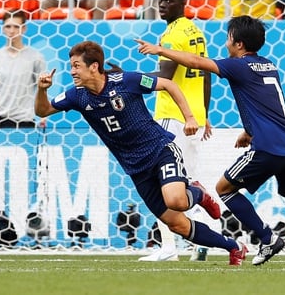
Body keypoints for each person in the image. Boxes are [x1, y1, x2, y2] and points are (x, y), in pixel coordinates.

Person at [136, 15, 285, 268]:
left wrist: (160, 49)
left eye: (228, 38)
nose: (226, 43)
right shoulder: (268, 65)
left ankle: (267, 238)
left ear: (239, 44)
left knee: (224, 188)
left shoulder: (239, 66)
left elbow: (197, 62)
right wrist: (248, 130)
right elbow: (264, 104)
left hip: (268, 147)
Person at [35, 40, 248, 265]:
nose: (72, 72)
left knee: (176, 200)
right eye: (71, 66)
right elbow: (42, 110)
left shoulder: (127, 81)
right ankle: (234, 247)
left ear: (94, 66)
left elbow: (168, 84)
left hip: (160, 150)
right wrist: (42, 90)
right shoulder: (77, 96)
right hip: (136, 168)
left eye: (76, 66)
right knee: (177, 225)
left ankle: (198, 193)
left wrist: (190, 117)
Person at [139, 0, 212, 262]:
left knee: (163, 183)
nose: (162, 4)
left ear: (183, 4)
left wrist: (129, 80)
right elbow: (205, 73)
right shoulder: (196, 32)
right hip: (193, 119)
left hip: (172, 116)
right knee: (187, 184)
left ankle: (169, 248)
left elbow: (164, 79)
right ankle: (203, 240)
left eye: (168, 0)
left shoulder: (171, 36)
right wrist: (204, 115)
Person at [0, 9, 46, 128]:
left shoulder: (35, 57)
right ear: (3, 29)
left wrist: (43, 116)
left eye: (16, 27)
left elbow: (42, 89)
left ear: (24, 29)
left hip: (25, 119)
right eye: (8, 26)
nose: (12, 31)